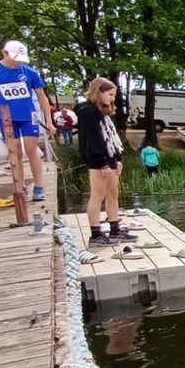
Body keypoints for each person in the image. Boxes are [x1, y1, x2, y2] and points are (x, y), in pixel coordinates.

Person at [0, 40, 56, 201]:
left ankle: (38, 185)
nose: (17, 62)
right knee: (15, 152)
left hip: (28, 116)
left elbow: (42, 97)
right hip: (6, 118)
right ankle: (19, 187)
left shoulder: (30, 72)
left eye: (20, 59)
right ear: (4, 53)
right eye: (15, 58)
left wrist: (48, 120)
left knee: (31, 149)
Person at [77, 77, 135, 246]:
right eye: (110, 94)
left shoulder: (102, 112)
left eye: (113, 95)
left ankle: (115, 229)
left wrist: (117, 158)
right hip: (98, 161)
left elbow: (110, 137)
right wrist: (101, 162)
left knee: (113, 194)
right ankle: (95, 234)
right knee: (98, 195)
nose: (112, 98)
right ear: (99, 92)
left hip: (110, 158)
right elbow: (91, 139)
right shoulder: (87, 111)